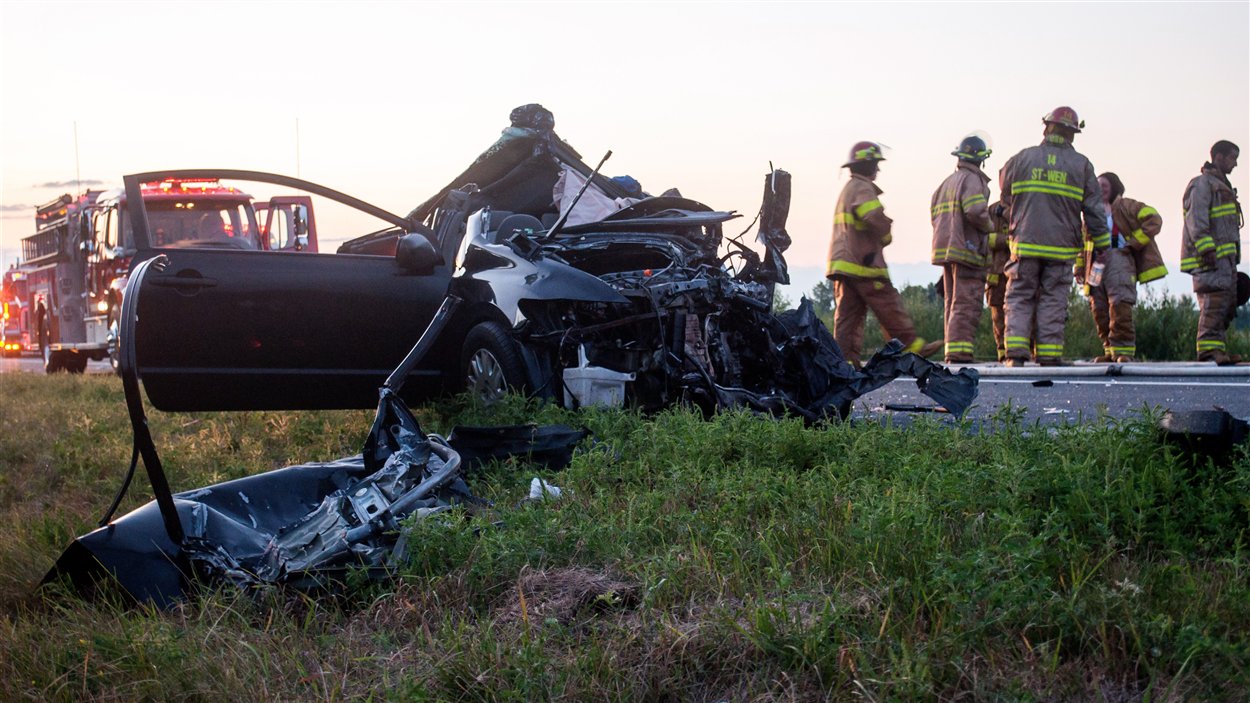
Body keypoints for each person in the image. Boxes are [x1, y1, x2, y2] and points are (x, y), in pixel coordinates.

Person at [998, 106, 1108, 367]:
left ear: (1046, 127)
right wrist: (1102, 244)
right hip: (1061, 247)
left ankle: (1015, 354)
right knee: (1053, 298)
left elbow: (1004, 196)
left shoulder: (1021, 159)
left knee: (1019, 296)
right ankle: (1048, 354)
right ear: (1072, 133)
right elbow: (1093, 210)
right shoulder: (1081, 165)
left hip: (1024, 243)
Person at [826, 141, 942, 366]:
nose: (878, 169)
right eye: (875, 164)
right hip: (863, 263)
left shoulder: (847, 189)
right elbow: (872, 216)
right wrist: (885, 232)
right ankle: (911, 346)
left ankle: (844, 362)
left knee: (848, 316)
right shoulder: (861, 187)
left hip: (844, 265)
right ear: (867, 165)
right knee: (888, 303)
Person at [1077, 172, 1166, 362]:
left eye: (1104, 185)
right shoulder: (1091, 213)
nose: (1100, 188)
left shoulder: (1127, 206)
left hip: (1120, 258)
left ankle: (1123, 351)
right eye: (1097, 185)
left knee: (1120, 304)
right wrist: (1079, 268)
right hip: (1096, 263)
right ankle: (1109, 350)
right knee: (1098, 306)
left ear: (1114, 186)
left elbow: (1154, 219)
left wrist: (1134, 243)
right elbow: (1082, 244)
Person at [931, 135, 994, 363]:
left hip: (946, 249)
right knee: (967, 301)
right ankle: (959, 352)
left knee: (952, 302)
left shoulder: (946, 182)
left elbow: (935, 215)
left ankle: (952, 350)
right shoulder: (972, 181)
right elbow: (976, 211)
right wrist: (990, 227)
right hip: (967, 249)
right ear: (981, 159)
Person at [1181, 140, 1242, 364]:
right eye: (1232, 158)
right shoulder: (1202, 184)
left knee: (1225, 302)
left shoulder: (1221, 185)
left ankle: (1218, 349)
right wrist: (1205, 247)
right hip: (1211, 255)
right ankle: (1207, 350)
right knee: (1214, 299)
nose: (1235, 164)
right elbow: (1196, 217)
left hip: (1225, 257)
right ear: (1218, 157)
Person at [986, 200, 1011, 361]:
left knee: (1025, 311)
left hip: (1021, 271)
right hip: (996, 271)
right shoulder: (992, 210)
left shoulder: (1026, 206)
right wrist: (1009, 240)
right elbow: (985, 238)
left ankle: (1028, 351)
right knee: (998, 314)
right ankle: (1002, 352)